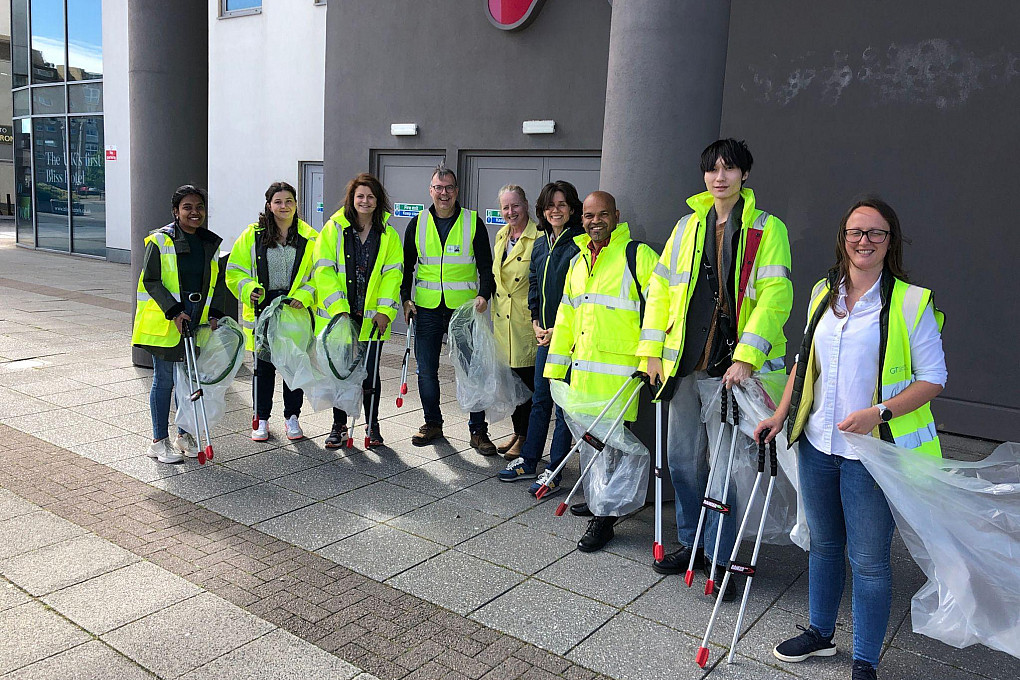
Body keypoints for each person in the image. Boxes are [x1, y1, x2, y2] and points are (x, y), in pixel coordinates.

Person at [754, 197, 946, 680]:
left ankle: (865, 660)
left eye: (875, 233)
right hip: (818, 445)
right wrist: (780, 415)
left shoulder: (909, 300)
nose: (864, 241)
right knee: (823, 545)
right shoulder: (824, 292)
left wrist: (878, 412)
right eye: (856, 232)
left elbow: (933, 379)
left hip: (871, 454)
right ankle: (820, 634)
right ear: (843, 238)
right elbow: (804, 360)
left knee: (869, 562)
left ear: (889, 242)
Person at [639, 138, 793, 601]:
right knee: (683, 460)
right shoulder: (686, 227)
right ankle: (693, 543)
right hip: (685, 363)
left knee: (724, 467)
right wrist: (649, 351)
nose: (719, 176)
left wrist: (749, 354)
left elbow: (775, 296)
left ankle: (723, 561)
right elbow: (661, 289)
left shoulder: (767, 228)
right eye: (712, 169)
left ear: (744, 174)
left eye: (729, 168)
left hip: (731, 368)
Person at [543, 190, 658, 552]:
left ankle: (604, 521)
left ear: (616, 215)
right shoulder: (578, 262)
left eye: (602, 214)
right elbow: (566, 318)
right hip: (584, 375)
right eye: (589, 216)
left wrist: (649, 359)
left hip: (620, 376)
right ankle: (597, 499)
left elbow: (660, 311)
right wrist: (556, 368)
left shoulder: (637, 256)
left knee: (614, 448)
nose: (595, 221)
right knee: (591, 445)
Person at [400, 165, 498, 454]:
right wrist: (405, 298)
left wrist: (484, 294)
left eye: (449, 188)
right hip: (426, 310)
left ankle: (478, 431)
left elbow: (485, 266)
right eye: (438, 188)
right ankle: (433, 423)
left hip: (464, 310)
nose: (444, 193)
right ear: (430, 190)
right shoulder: (416, 224)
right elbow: (406, 268)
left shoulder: (472, 222)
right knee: (426, 371)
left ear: (457, 191)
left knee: (472, 370)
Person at [497, 180, 584, 496]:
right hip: (543, 336)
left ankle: (555, 469)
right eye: (550, 206)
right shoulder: (542, 243)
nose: (555, 210)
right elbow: (534, 284)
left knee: (562, 406)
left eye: (561, 205)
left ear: (571, 208)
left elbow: (582, 296)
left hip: (568, 338)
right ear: (543, 211)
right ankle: (529, 459)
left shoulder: (579, 244)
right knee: (540, 401)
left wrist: (559, 329)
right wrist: (535, 320)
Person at [132, 185, 227, 464]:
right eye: (187, 207)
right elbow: (151, 280)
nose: (194, 212)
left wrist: (215, 313)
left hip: (197, 317)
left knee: (188, 380)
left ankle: (183, 434)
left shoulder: (209, 242)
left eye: (199, 207)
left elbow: (216, 281)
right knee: (164, 381)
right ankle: (158, 441)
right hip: (168, 319)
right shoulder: (160, 241)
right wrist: (174, 311)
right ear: (176, 212)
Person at [313, 173, 403, 448]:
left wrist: (386, 311)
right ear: (352, 199)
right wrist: (339, 309)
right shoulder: (334, 229)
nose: (365, 201)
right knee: (341, 373)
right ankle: (338, 425)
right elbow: (323, 270)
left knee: (370, 375)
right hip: (341, 318)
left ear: (378, 201)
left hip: (372, 320)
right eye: (360, 196)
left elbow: (393, 275)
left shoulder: (388, 234)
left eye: (371, 197)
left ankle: (371, 425)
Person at [225, 181, 318, 442]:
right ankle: (261, 419)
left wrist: (305, 295)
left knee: (293, 367)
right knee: (263, 370)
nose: (284, 206)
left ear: (296, 204)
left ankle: (292, 418)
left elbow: (320, 275)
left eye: (289, 201)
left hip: (294, 311)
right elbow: (234, 271)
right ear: (269, 206)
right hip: (263, 311)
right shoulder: (252, 236)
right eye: (278, 202)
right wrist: (249, 289)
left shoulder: (310, 237)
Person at [489, 184, 539, 460]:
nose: (511, 211)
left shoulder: (538, 237)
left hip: (523, 323)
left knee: (528, 386)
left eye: (515, 205)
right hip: (502, 322)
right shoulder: (501, 235)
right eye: (506, 207)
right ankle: (518, 432)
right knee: (512, 385)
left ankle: (527, 439)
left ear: (526, 204)